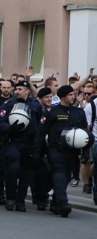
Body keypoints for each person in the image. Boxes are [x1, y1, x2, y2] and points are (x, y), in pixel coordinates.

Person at [36, 85, 94, 217]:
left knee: (67, 176)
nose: (73, 97)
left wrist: (85, 150)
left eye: (74, 94)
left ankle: (56, 203)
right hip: (56, 149)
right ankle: (63, 203)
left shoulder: (78, 112)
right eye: (70, 95)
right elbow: (41, 132)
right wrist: (37, 151)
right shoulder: (52, 111)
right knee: (59, 173)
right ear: (62, 97)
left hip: (72, 151)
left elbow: (84, 132)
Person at [0, 80, 43, 211]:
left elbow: (40, 123)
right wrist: (10, 128)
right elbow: (0, 123)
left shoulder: (35, 105)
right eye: (16, 89)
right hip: (14, 141)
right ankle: (10, 197)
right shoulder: (9, 104)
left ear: (27, 91)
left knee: (26, 173)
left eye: (20, 89)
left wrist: (37, 143)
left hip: (29, 143)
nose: (17, 91)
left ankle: (20, 200)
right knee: (13, 169)